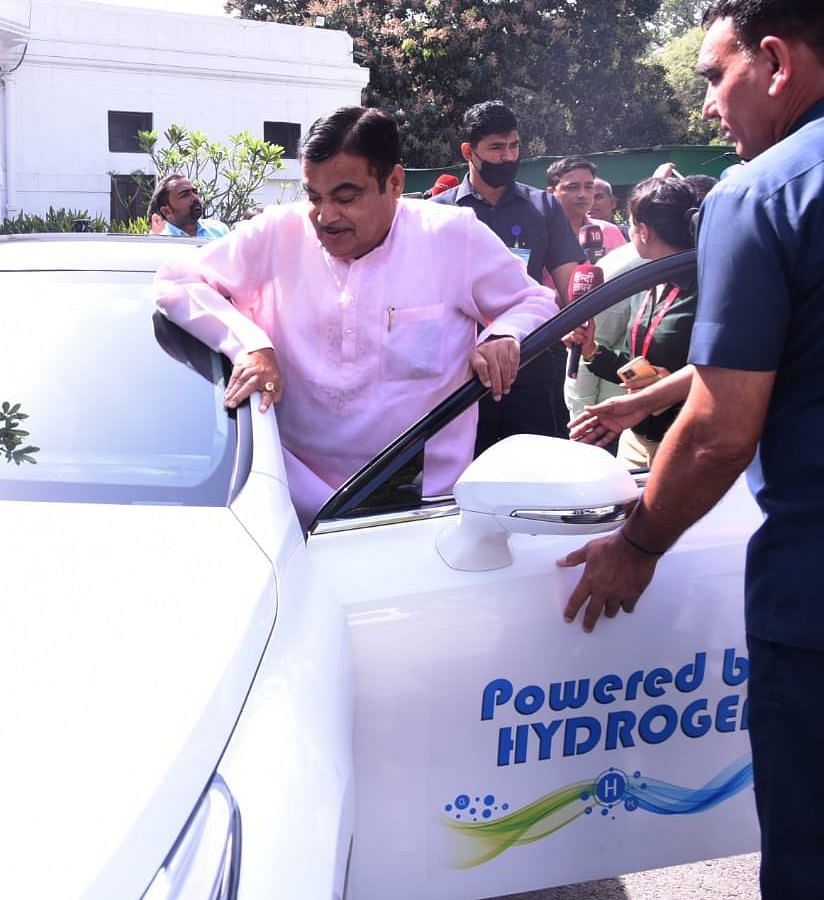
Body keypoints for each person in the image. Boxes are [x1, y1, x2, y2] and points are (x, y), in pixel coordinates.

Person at [559, 2, 824, 897]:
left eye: (714, 77)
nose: (708, 107)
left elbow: (718, 429)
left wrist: (637, 546)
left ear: (777, 63)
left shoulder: (765, 192)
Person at [155, 107, 556, 527]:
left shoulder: (451, 236)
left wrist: (502, 335)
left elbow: (537, 301)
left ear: (395, 183)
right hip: (285, 506)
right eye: (314, 197)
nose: (326, 218)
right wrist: (250, 345)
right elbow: (177, 281)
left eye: (346, 198)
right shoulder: (279, 232)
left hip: (415, 512)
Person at [434, 101, 588, 453]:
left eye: (514, 146)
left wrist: (579, 315)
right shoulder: (440, 213)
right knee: (464, 479)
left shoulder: (543, 207)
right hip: (461, 373)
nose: (508, 157)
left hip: (531, 364)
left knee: (538, 474)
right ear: (468, 152)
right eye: (496, 148)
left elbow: (569, 281)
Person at [564, 177, 701, 467]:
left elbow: (722, 370)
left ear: (645, 231)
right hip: (636, 439)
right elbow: (641, 366)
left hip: (687, 441)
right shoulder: (648, 283)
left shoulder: (707, 286)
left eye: (630, 224)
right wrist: (591, 351)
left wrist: (673, 385)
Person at [546, 157, 627, 258]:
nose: (582, 194)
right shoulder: (539, 233)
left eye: (588, 187)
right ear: (551, 193)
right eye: (573, 187)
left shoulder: (610, 231)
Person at [147, 174, 230, 240]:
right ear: (166, 211)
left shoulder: (219, 230)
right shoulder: (163, 242)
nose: (195, 198)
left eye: (195, 192)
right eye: (184, 195)